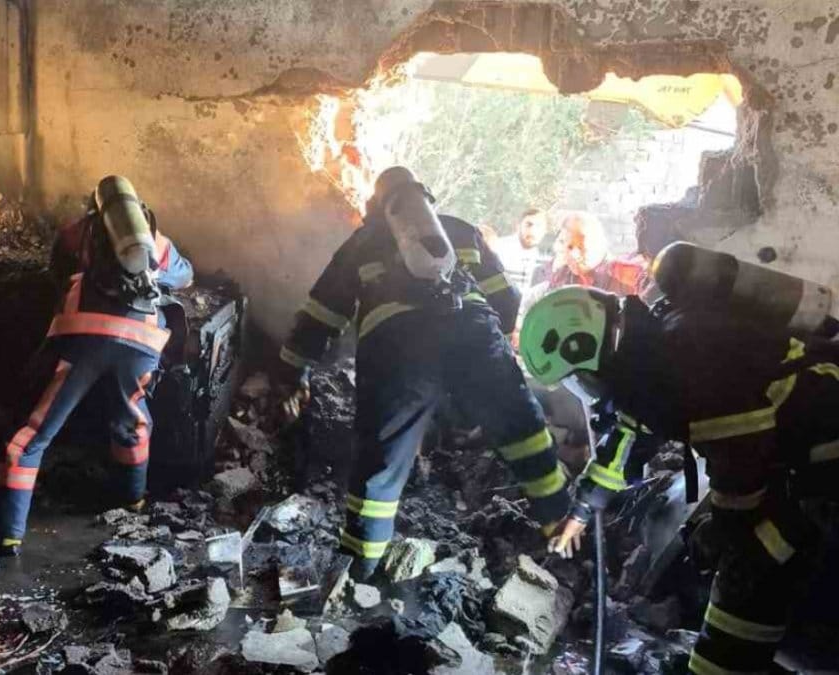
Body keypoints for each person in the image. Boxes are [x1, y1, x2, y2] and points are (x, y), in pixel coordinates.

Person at [519, 278, 839, 675]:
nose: (582, 389)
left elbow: (741, 464)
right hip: (802, 455)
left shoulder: (685, 358)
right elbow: (626, 439)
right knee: (749, 553)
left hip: (825, 456)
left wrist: (721, 531)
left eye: (575, 379)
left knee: (755, 555)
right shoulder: (648, 358)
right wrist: (582, 510)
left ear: (583, 349)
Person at [276, 166, 570, 581]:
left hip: (396, 349)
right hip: (474, 335)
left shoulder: (362, 241)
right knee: (525, 433)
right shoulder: (461, 231)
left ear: (378, 206)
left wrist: (294, 371)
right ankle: (565, 537)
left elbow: (320, 315)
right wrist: (489, 350)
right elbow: (507, 301)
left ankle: (360, 570)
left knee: (380, 467)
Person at [0, 175, 194, 556]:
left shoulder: (77, 233)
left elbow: (55, 272)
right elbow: (185, 275)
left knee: (37, 431)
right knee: (132, 421)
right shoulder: (153, 240)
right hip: (140, 343)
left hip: (81, 340)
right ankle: (132, 502)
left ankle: (8, 532)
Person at [547, 211, 643, 295]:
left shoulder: (627, 277)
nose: (575, 255)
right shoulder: (561, 277)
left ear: (600, 244)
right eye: (570, 247)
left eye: (581, 247)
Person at [494, 208, 549, 289]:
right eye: (528, 225)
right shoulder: (499, 248)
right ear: (518, 226)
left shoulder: (544, 259)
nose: (533, 230)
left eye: (539, 226)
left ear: (545, 231)